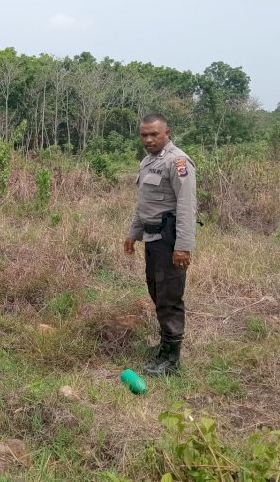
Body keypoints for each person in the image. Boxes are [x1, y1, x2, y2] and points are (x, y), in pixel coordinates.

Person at [123, 114, 197, 375]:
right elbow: (145, 203)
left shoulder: (177, 162)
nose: (148, 139)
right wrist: (133, 234)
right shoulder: (148, 162)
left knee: (170, 297)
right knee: (157, 292)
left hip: (169, 240)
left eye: (154, 134)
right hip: (152, 239)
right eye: (144, 135)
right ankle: (165, 346)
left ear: (167, 132)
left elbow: (187, 207)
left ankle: (172, 360)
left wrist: (183, 246)